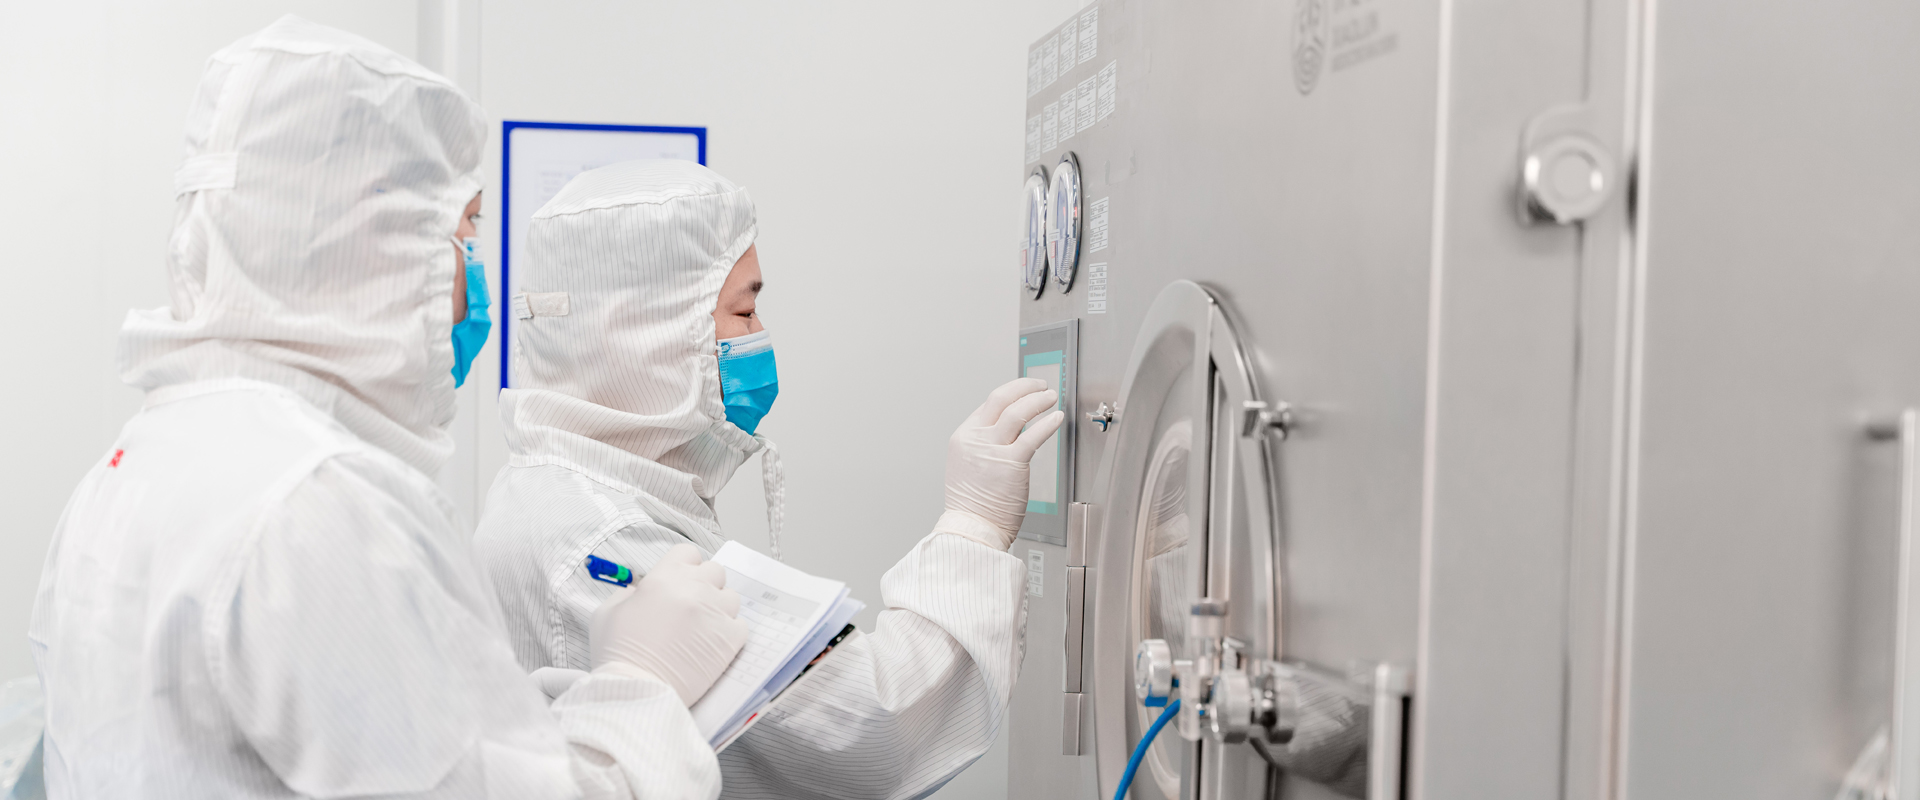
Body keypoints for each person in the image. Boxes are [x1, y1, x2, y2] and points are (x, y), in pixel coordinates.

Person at [29, 17, 749, 799]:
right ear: (371, 231)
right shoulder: (323, 502)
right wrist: (641, 683)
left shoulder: (136, 464)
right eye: (465, 232)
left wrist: (562, 698)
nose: (472, 279)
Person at [473, 158, 1066, 799]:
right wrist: (973, 526)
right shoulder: (604, 536)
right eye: (744, 310)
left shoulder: (560, 491)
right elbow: (873, 734)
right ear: (645, 334)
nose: (759, 335)